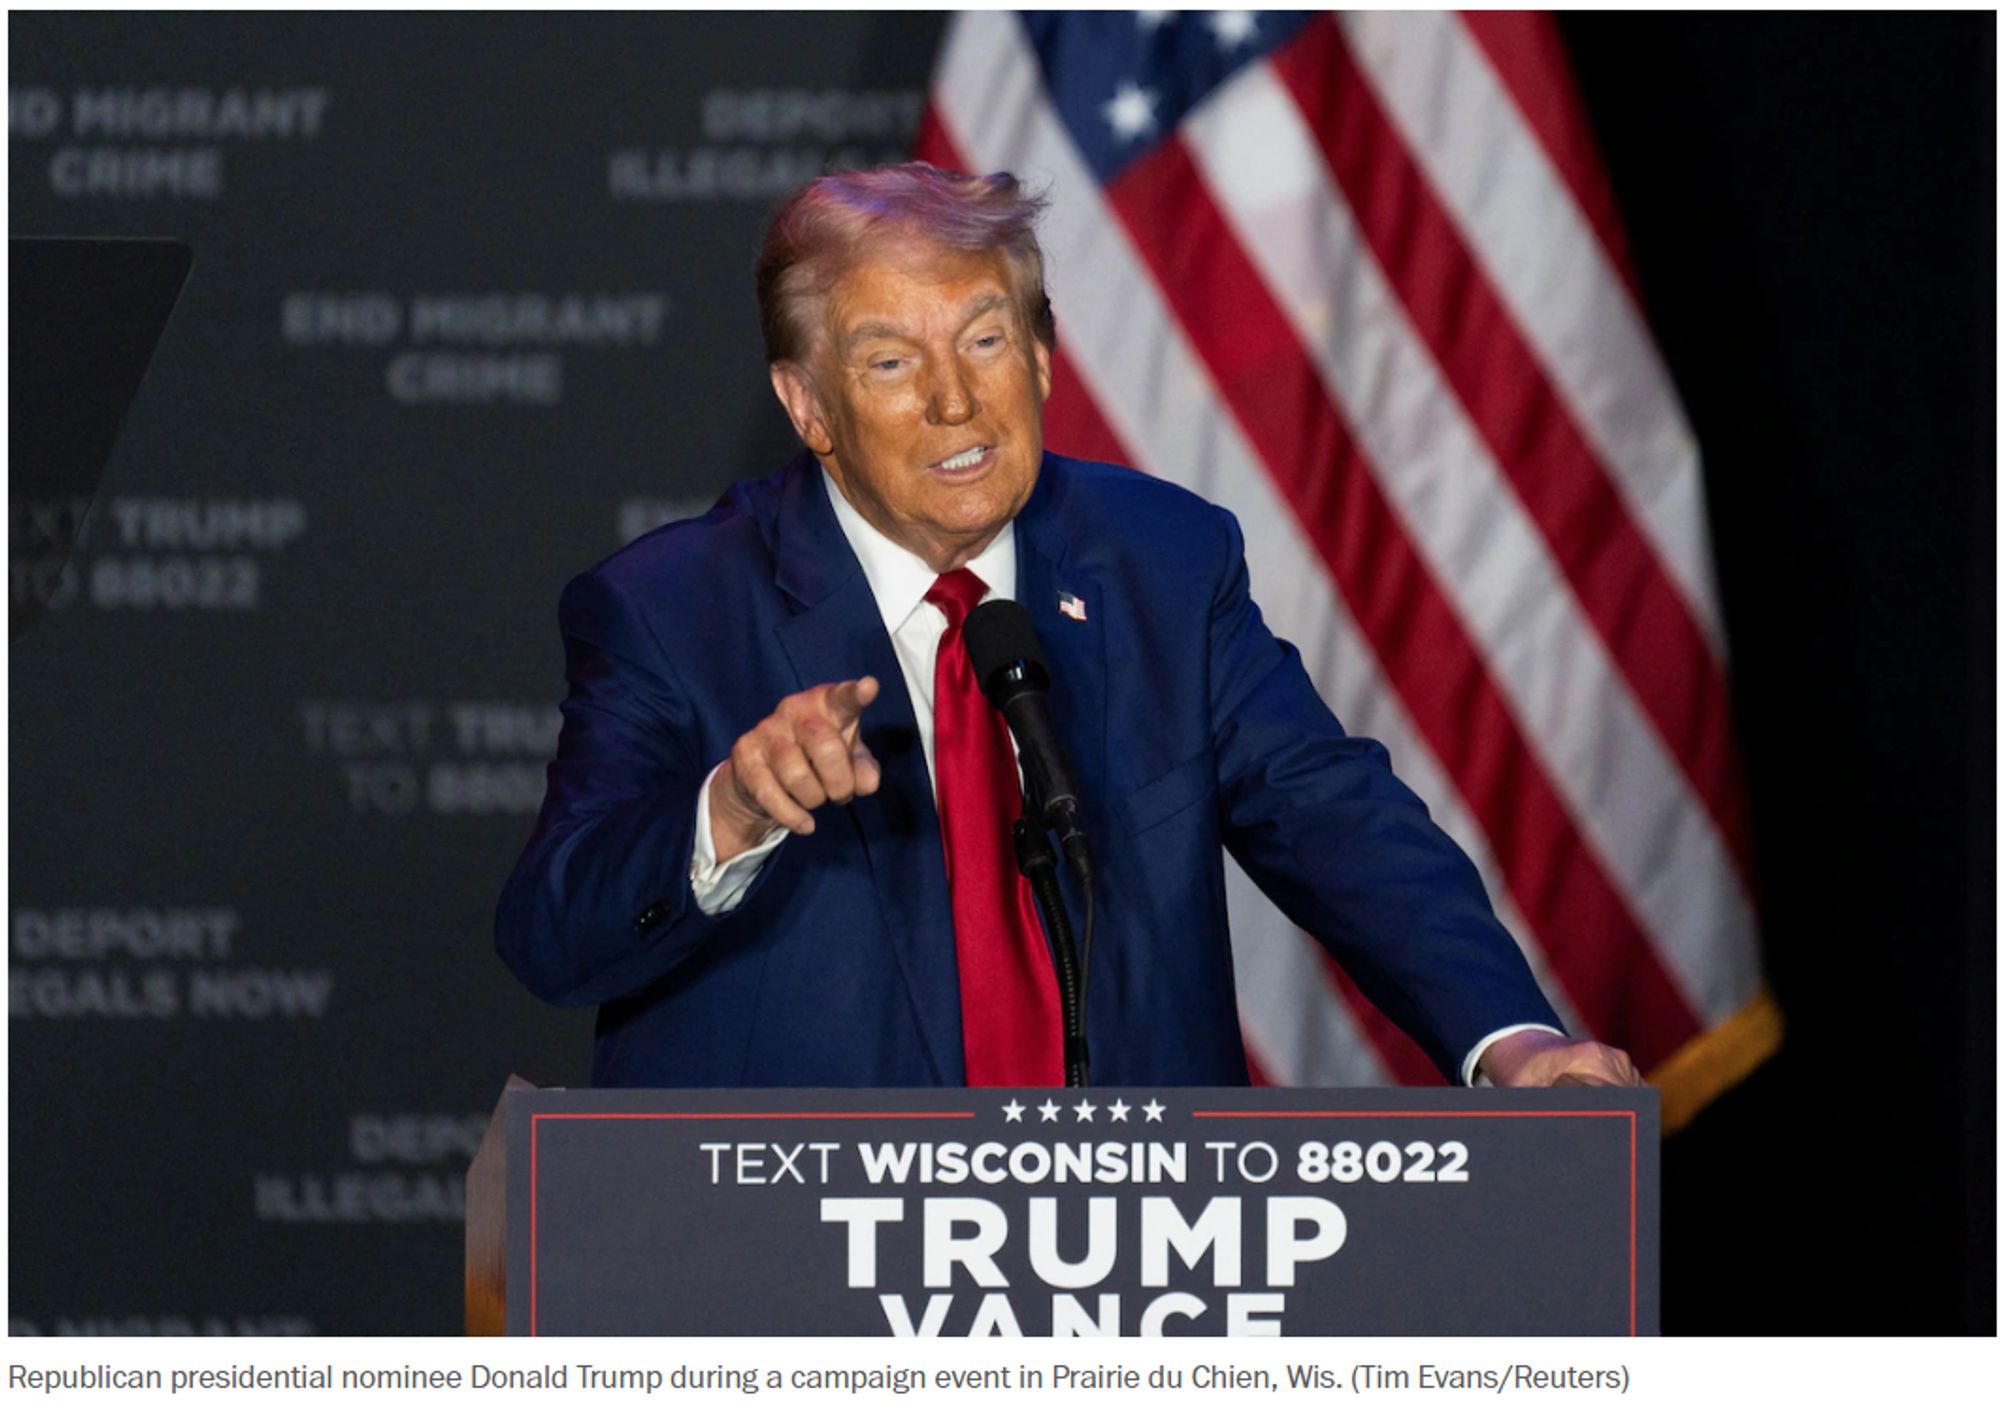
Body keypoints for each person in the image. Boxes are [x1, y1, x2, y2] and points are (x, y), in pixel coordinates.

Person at [496, 163, 1639, 1092]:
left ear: (1041, 353)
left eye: (985, 340)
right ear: (808, 407)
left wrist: (1508, 1043)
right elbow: (553, 935)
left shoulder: (1162, 562)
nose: (955, 400)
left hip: (1134, 1267)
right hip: (800, 1285)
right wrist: (730, 810)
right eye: (891, 362)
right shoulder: (669, 609)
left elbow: (1333, 819)